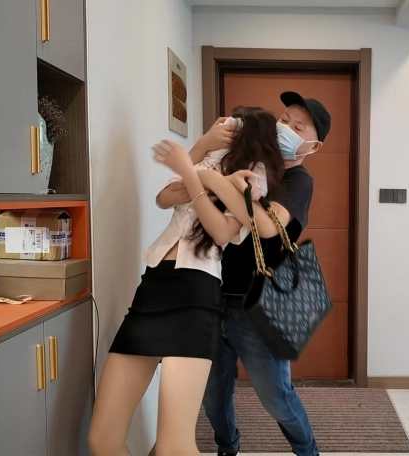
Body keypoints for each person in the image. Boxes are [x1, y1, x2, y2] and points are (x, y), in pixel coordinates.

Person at [87, 106, 285, 456]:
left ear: (248, 132)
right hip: (153, 287)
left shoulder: (254, 174)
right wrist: (200, 149)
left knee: (173, 448)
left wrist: (199, 178)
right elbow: (164, 198)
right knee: (102, 440)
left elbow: (221, 231)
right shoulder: (208, 156)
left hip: (197, 293)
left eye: (233, 122)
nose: (225, 125)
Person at [156, 92, 331, 456]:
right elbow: (175, 194)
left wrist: (212, 181)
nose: (285, 128)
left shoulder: (299, 180)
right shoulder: (243, 159)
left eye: (298, 127)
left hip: (259, 307)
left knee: (276, 396)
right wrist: (207, 149)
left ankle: (308, 452)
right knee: (212, 396)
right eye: (284, 119)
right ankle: (227, 447)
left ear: (313, 146)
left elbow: (266, 225)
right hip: (209, 294)